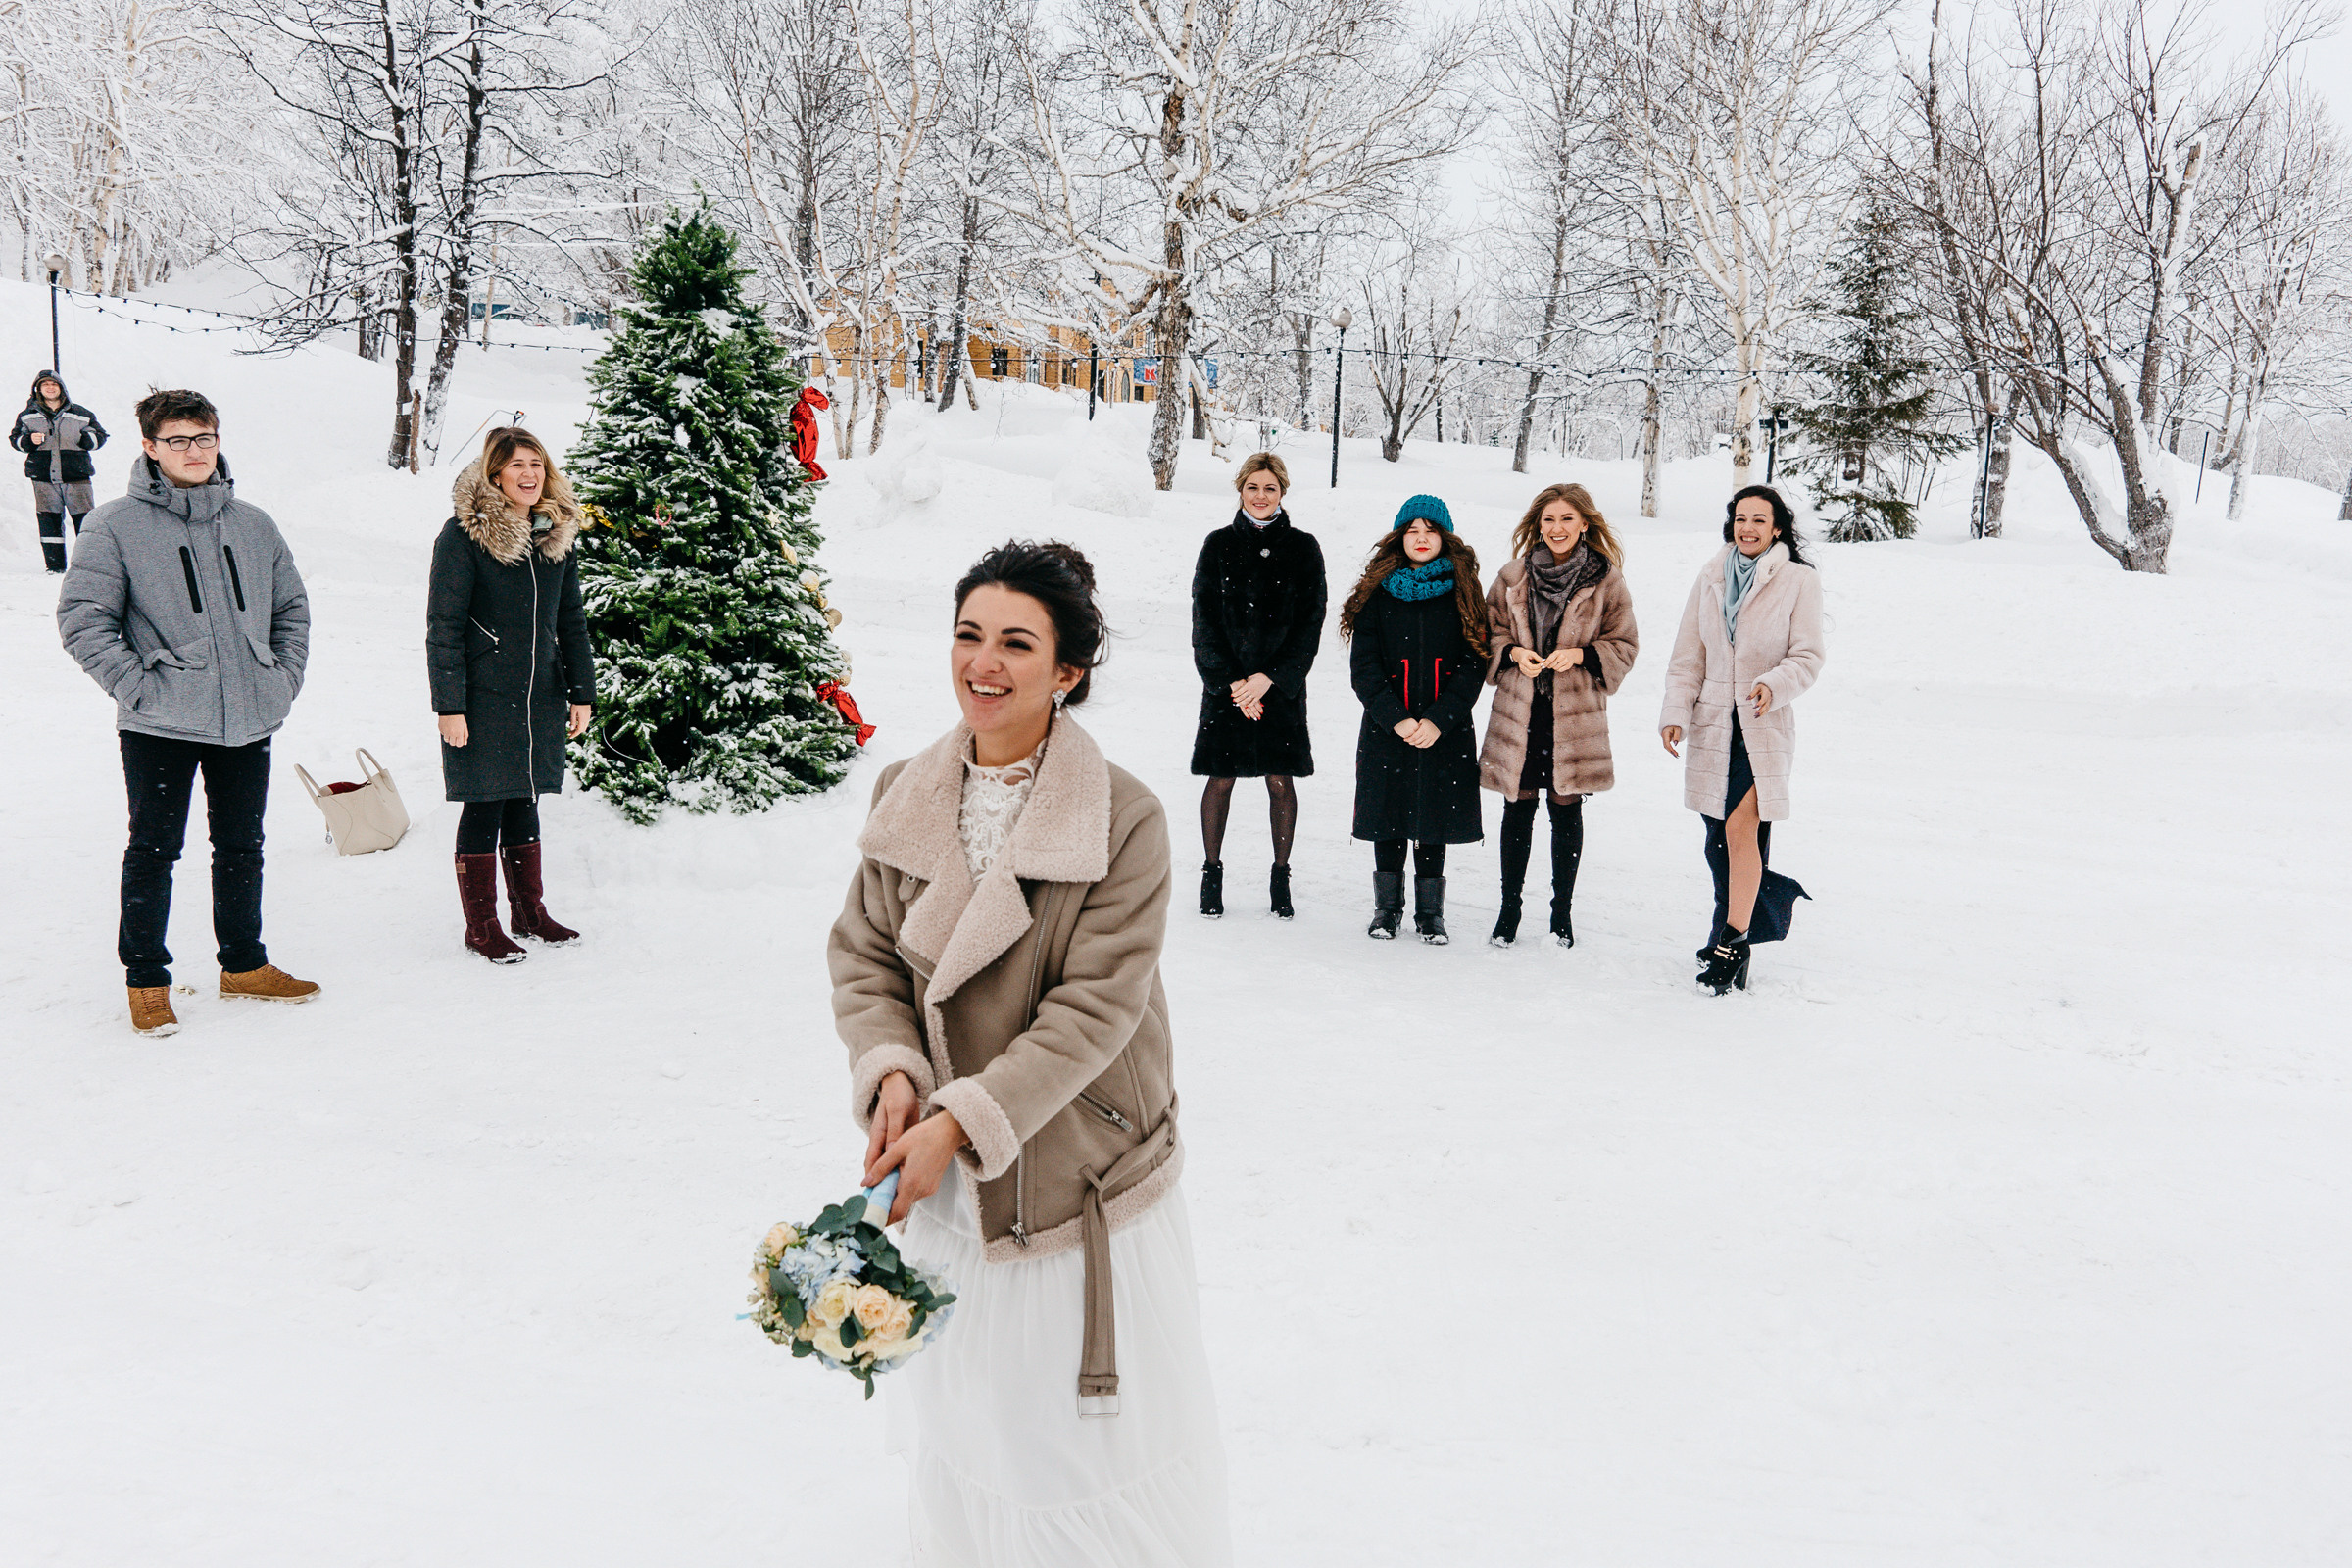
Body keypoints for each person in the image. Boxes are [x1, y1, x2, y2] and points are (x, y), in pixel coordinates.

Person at [831, 540, 1230, 1565]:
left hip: (1068, 1170)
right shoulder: (904, 792)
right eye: (969, 635)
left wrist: (958, 1119)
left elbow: (1094, 1010)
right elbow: (865, 952)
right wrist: (892, 1073)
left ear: (1068, 671)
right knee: (974, 1422)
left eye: (1017, 642)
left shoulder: (1125, 819)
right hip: (950, 1171)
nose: (984, 663)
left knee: (1069, 1450)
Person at [57, 388, 318, 1038]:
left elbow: (292, 610)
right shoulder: (115, 525)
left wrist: (279, 679)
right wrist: (139, 687)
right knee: (154, 849)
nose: (194, 451)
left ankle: (244, 965)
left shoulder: (254, 524)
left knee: (241, 846)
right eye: (178, 440)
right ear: (150, 447)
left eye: (204, 438)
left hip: (248, 715)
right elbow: (83, 621)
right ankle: (146, 979)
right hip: (160, 723)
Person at [425, 427, 596, 963]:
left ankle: (529, 913)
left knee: (525, 798)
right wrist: (449, 705)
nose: (528, 475)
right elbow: (444, 626)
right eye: (517, 465)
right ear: (495, 473)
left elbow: (571, 620)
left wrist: (580, 691)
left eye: (537, 465)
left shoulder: (553, 537)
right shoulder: (463, 536)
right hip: (482, 695)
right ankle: (482, 927)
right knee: (484, 802)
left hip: (538, 693)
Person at [1659, 484, 1826, 994]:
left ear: (1778, 528)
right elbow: (1688, 656)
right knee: (1718, 845)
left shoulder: (1799, 581)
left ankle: (1731, 942)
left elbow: (1808, 656)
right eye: (1740, 518)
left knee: (1741, 833)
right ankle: (1747, 924)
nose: (1748, 527)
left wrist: (1772, 685)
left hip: (1761, 723)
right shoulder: (1711, 577)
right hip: (1714, 726)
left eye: (1760, 519)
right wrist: (1675, 714)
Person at [1478, 483, 1640, 949]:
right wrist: (1511, 653)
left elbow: (1625, 645)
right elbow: (1487, 634)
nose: (1557, 528)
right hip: (1520, 710)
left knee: (1565, 808)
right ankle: (1509, 911)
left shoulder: (1607, 581)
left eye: (1567, 519)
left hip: (1573, 715)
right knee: (1518, 806)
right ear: (1538, 524)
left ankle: (1561, 915)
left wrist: (1584, 656)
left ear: (1585, 523)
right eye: (1549, 519)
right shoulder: (1512, 577)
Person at [1341, 495, 1488, 944]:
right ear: (1399, 538)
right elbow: (1363, 667)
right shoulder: (1377, 590)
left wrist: (1440, 719)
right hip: (1389, 726)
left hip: (1444, 728)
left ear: (1444, 537)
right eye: (1412, 531)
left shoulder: (1464, 590)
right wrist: (1397, 719)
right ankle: (1387, 910)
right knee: (1389, 814)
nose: (1421, 539)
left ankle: (1430, 915)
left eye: (1430, 530)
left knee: (1433, 816)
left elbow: (1474, 663)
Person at [1189, 451, 1326, 920]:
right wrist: (1232, 684)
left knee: (1279, 780)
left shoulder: (1304, 547)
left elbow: (1311, 622)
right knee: (1220, 779)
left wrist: (1271, 679)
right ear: (1240, 490)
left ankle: (1280, 878)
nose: (1261, 496)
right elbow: (1203, 620)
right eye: (1253, 487)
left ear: (1282, 492)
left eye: (1270, 488)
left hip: (1279, 689)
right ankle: (1211, 874)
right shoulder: (1217, 544)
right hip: (1226, 690)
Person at [12, 370, 109, 573]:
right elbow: (15, 440)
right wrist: (28, 441)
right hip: (43, 477)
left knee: (85, 521)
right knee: (49, 522)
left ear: (61, 387)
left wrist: (87, 439)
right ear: (38, 389)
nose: (50, 387)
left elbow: (100, 435)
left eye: (53, 384)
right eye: (45, 384)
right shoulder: (28, 415)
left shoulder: (81, 413)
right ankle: (55, 567)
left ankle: (89, 564)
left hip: (77, 476)